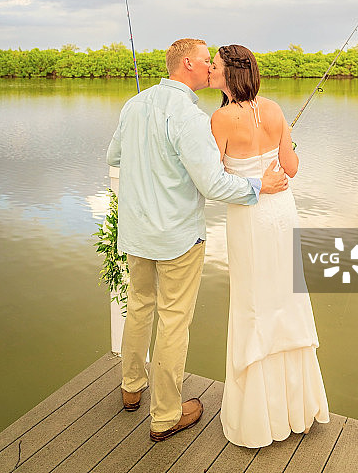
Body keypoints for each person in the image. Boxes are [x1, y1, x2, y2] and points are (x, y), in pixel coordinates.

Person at [106, 38, 288, 442]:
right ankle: (166, 415)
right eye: (207, 62)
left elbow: (113, 157)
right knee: (173, 321)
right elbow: (212, 183)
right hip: (176, 236)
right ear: (187, 64)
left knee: (139, 307)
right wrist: (260, 186)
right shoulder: (190, 117)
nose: (211, 69)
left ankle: (131, 387)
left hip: (136, 231)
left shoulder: (135, 105)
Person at [209, 44, 329, 448]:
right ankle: (298, 411)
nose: (212, 70)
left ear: (229, 75)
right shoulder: (276, 109)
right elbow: (291, 169)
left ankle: (261, 416)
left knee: (253, 303)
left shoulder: (221, 119)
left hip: (250, 219)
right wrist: (284, 147)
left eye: (216, 66)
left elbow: (214, 182)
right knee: (287, 298)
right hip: (282, 214)